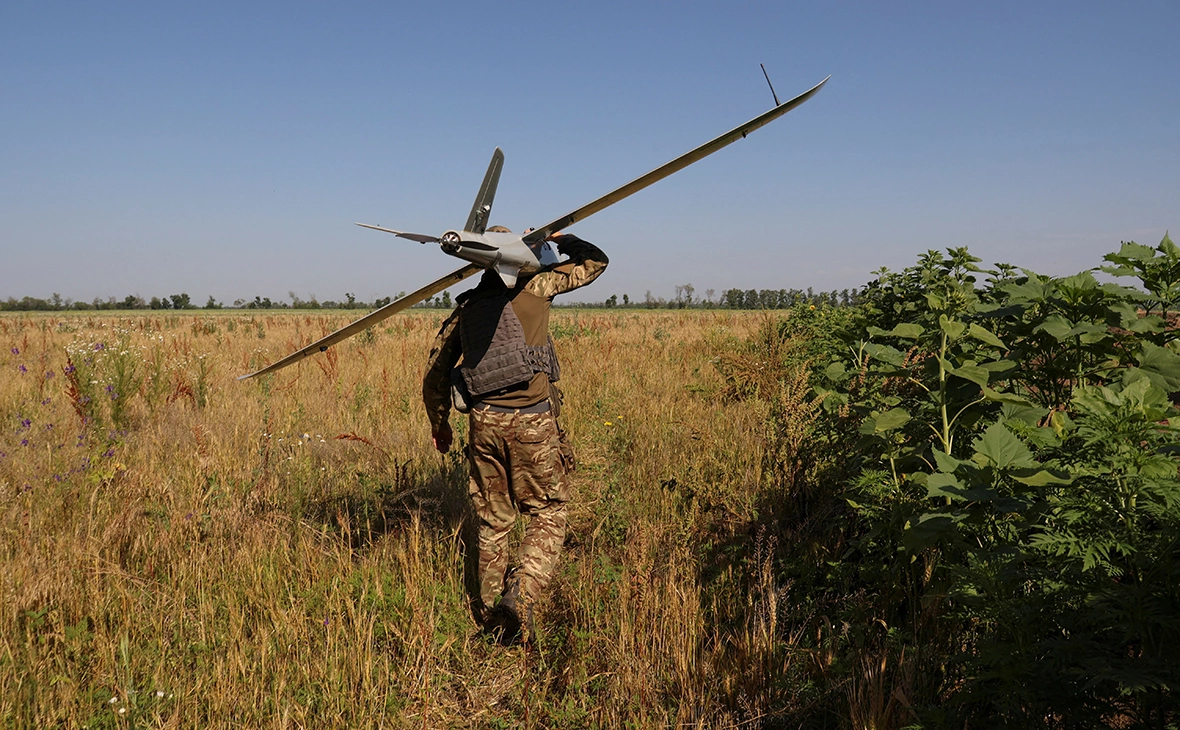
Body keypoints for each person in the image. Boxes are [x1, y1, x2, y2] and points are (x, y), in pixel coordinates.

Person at [422, 230, 608, 644]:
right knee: (549, 512)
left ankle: (492, 622)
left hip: (484, 424)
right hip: (533, 424)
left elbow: (435, 374)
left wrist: (440, 425)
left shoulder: (467, 309)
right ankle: (519, 597)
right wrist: (565, 238)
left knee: (494, 522)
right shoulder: (539, 287)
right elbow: (595, 263)